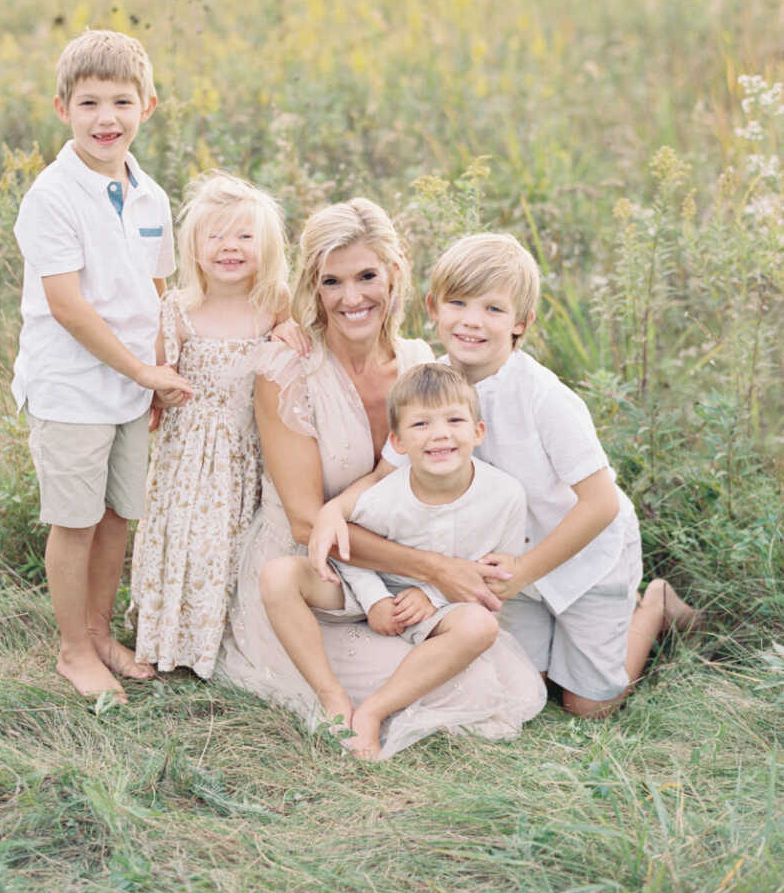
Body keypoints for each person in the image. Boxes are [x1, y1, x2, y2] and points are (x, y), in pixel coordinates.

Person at [313, 231, 700, 718]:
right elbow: (383, 473)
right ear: (433, 307)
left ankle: (656, 606)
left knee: (588, 707)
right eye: (458, 302)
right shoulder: (431, 387)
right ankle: (565, 640)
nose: (472, 321)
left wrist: (525, 571)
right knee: (527, 687)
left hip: (582, 559)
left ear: (521, 323)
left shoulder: (545, 398)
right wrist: (335, 509)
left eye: (493, 310)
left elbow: (600, 504)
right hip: (504, 567)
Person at [215, 200, 543, 759]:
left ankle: (381, 695)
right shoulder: (288, 369)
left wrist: (428, 583)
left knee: (487, 666)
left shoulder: (420, 366)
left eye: (367, 276)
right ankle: (332, 698)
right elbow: (303, 520)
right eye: (331, 281)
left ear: (395, 272)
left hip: (399, 577)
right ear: (313, 288)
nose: (351, 298)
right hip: (316, 574)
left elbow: (406, 475)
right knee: (467, 680)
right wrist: (439, 569)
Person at [11, 29, 189, 702]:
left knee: (118, 515)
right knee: (76, 520)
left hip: (132, 386)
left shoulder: (152, 197)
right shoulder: (52, 196)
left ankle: (100, 632)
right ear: (62, 108)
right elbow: (69, 308)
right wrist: (144, 373)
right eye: (89, 103)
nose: (106, 118)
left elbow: (156, 294)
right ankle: (72, 652)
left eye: (121, 101)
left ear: (149, 106)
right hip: (73, 387)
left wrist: (158, 371)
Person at [261, 362, 544, 759]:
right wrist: (376, 599)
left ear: (478, 431)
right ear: (397, 442)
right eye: (421, 425)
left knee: (480, 626)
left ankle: (374, 711)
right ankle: (332, 696)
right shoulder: (383, 497)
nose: (440, 434)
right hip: (366, 589)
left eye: (454, 420)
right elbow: (351, 554)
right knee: (277, 576)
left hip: (442, 607)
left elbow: (492, 578)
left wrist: (432, 597)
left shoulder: (506, 496)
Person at [128, 172, 291, 678]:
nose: (230, 248)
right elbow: (157, 375)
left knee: (234, 547)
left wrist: (290, 334)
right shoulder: (179, 308)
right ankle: (171, 639)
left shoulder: (275, 304)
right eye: (216, 236)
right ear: (194, 248)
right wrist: (162, 388)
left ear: (266, 246)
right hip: (189, 458)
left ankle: (221, 641)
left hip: (246, 452)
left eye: (245, 236)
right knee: (188, 544)